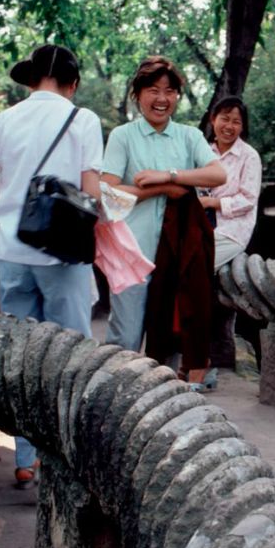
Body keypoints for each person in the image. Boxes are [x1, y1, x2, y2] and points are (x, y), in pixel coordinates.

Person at [0, 44, 103, 489]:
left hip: (11, 254)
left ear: (29, 82)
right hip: (61, 256)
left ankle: (26, 459)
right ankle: (67, 454)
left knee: (21, 358)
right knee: (69, 357)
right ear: (73, 83)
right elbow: (92, 196)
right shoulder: (83, 120)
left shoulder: (3, 121)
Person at [99, 56, 225, 371]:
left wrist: (167, 175)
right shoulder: (123, 136)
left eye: (169, 91)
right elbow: (108, 191)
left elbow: (217, 175)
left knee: (167, 343)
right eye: (153, 90)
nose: (162, 99)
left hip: (177, 254)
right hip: (130, 253)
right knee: (125, 341)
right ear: (137, 94)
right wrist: (157, 189)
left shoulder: (189, 136)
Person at [201, 96, 261, 269]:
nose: (229, 126)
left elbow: (248, 200)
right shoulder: (203, 152)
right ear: (213, 119)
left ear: (242, 127)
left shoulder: (249, 156)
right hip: (200, 224)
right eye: (225, 119)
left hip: (232, 231)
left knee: (195, 268)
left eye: (236, 122)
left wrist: (211, 202)